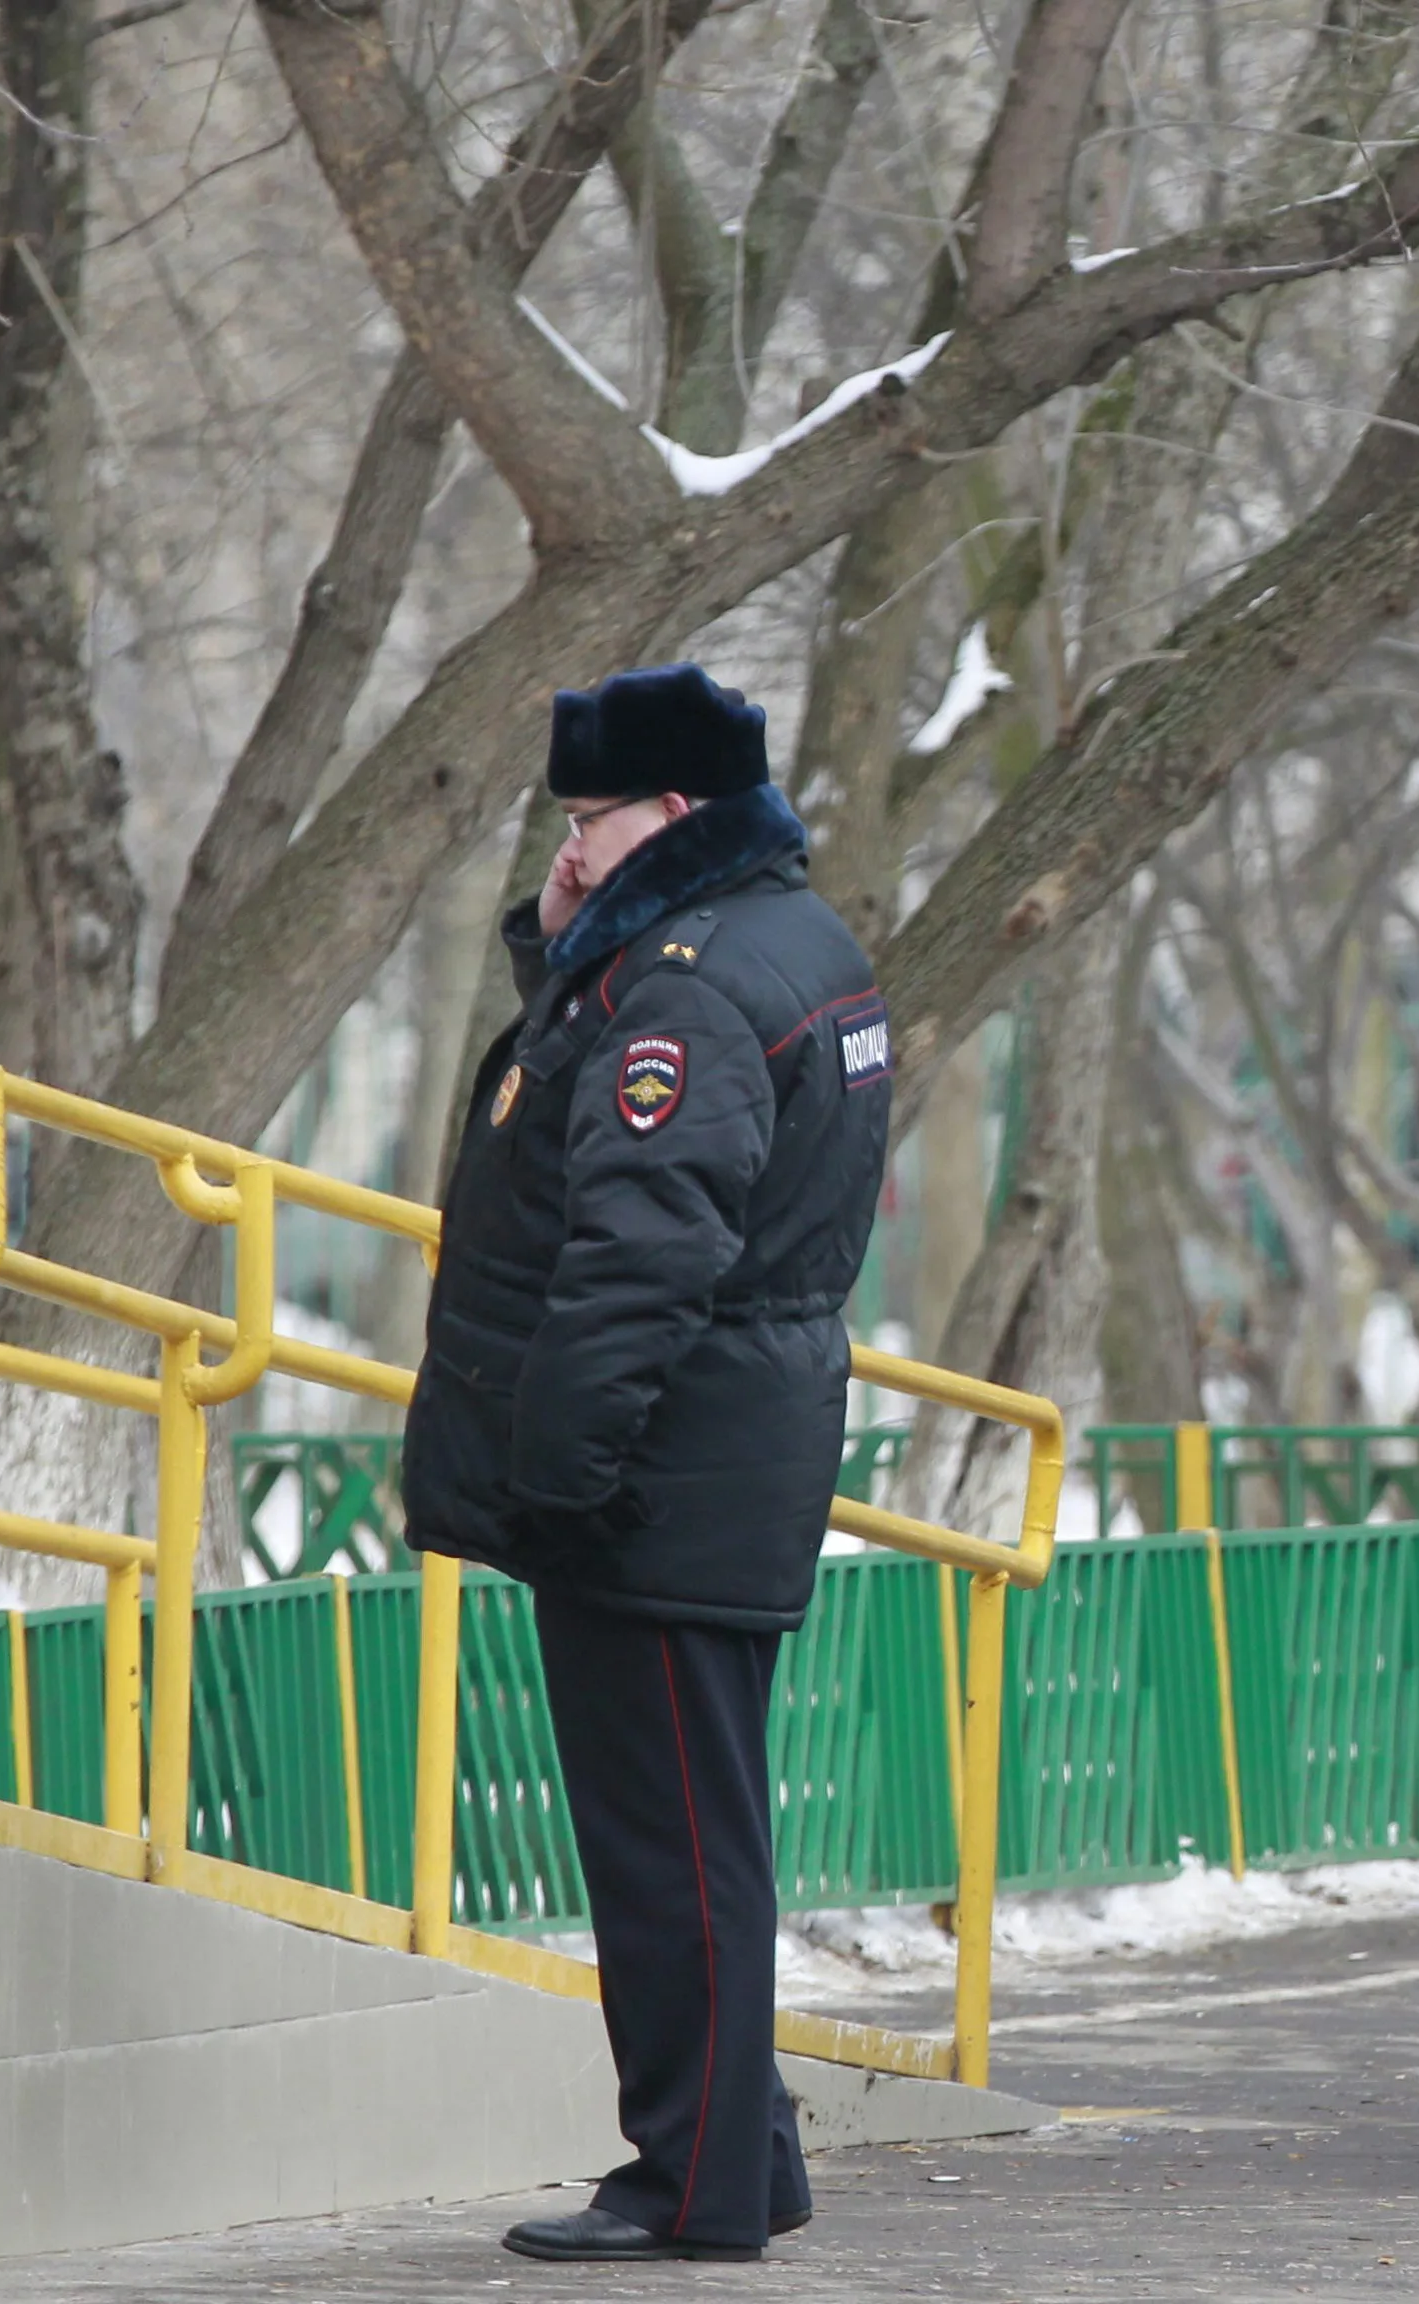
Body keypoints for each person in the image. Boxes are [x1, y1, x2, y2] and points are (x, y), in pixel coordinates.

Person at [402, 664, 893, 2265]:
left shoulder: (684, 990)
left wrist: (562, 1470)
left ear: (671, 813)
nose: (571, 842)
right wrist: (561, 931)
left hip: (656, 1472)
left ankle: (688, 2186)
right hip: (725, 1451)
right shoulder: (778, 941)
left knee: (667, 1847)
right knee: (702, 1831)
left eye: (590, 818)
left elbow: (638, 1255)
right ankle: (744, 2153)